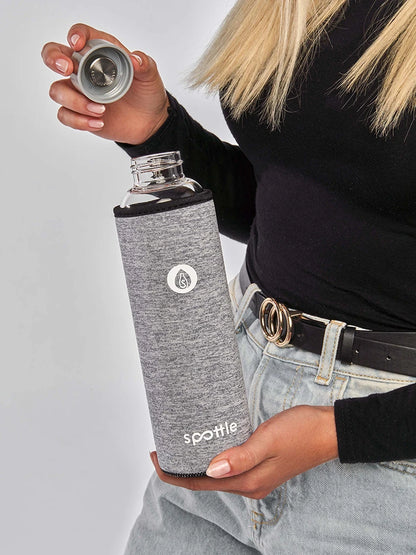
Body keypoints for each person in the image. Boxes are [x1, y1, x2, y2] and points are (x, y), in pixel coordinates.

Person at [41, 0, 416, 552]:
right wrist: (157, 131)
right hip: (234, 395)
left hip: (386, 456)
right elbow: (299, 202)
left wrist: (339, 431)